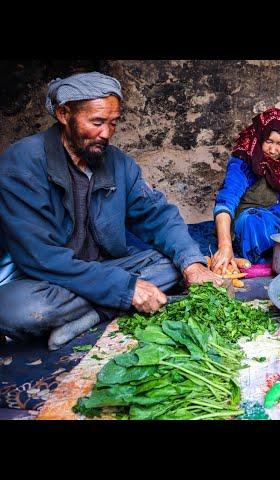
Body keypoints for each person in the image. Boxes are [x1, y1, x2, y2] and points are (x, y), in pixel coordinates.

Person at [0, 72, 222, 350]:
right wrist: (126, 289)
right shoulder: (23, 162)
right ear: (63, 113)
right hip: (42, 279)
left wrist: (192, 265)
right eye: (96, 122)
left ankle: (92, 314)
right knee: (23, 311)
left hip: (102, 270)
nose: (106, 133)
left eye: (113, 123)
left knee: (173, 262)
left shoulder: (119, 164)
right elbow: (40, 257)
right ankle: (103, 306)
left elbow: (158, 216)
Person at [211, 107, 280, 272]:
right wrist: (224, 245)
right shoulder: (244, 161)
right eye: (269, 142)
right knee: (255, 221)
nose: (273, 150)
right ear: (260, 137)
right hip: (251, 220)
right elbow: (225, 203)